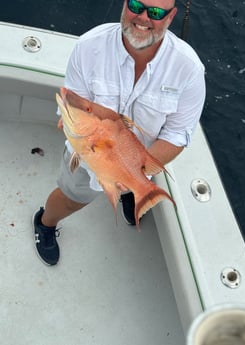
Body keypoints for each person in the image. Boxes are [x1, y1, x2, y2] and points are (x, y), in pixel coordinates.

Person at [33, 0, 206, 265]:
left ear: (171, 17)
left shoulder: (190, 70)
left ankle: (134, 196)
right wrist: (80, 136)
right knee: (71, 198)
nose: (143, 17)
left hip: (142, 163)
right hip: (86, 156)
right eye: (137, 5)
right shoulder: (89, 46)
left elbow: (177, 134)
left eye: (156, 12)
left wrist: (135, 174)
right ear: (125, 4)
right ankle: (45, 223)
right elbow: (73, 106)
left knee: (133, 188)